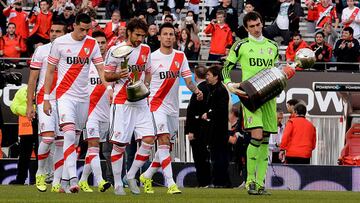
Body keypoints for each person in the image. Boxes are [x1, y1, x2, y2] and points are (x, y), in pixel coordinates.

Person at [43, 13, 107, 193]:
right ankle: (73, 179)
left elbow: (101, 69)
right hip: (64, 96)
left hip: (83, 98)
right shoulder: (60, 43)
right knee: (69, 135)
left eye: (88, 30)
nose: (84, 33)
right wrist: (47, 98)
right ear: (74, 25)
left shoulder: (92, 43)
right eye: (81, 29)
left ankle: (60, 182)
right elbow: (49, 71)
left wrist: (108, 89)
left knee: (73, 141)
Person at [139, 22, 203, 194]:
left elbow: (188, 80)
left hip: (173, 108)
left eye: (171, 34)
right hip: (155, 105)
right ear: (159, 37)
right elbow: (144, 83)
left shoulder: (180, 56)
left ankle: (147, 175)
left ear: (175, 37)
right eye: (165, 34)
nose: (168, 37)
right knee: (164, 141)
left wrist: (197, 90)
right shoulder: (151, 58)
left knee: (167, 147)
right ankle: (170, 183)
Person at [222, 11, 279, 195]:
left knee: (265, 141)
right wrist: (229, 83)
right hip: (250, 97)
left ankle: (261, 183)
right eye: (251, 26)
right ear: (246, 28)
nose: (255, 29)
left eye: (258, 24)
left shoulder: (273, 46)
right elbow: (226, 68)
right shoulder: (241, 46)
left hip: (269, 98)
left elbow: (276, 74)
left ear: (262, 23)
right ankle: (250, 182)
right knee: (256, 135)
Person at [104, 18, 155, 196]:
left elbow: (148, 71)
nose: (140, 39)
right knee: (119, 145)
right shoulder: (115, 50)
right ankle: (118, 184)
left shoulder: (146, 50)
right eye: (137, 35)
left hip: (141, 101)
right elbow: (107, 75)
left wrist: (146, 85)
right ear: (129, 33)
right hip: (121, 102)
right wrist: (118, 74)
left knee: (149, 139)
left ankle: (131, 175)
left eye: (143, 35)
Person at [26, 21, 67, 193]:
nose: (54, 34)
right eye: (52, 31)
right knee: (48, 138)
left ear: (65, 33)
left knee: (61, 142)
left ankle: (56, 180)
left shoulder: (70, 51)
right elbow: (32, 80)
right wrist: (30, 104)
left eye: (58, 31)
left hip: (65, 100)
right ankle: (40, 172)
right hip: (45, 99)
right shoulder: (41, 50)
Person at [78, 31, 112, 193]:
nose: (100, 46)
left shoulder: (111, 66)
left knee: (94, 148)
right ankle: (100, 181)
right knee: (93, 146)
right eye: (97, 43)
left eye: (103, 43)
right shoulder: (85, 65)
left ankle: (83, 180)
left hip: (106, 112)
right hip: (90, 112)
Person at [202, 65, 231, 188]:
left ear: (216, 77)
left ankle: (221, 182)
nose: (206, 77)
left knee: (220, 156)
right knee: (216, 155)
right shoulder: (213, 89)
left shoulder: (220, 90)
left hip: (220, 130)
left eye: (208, 75)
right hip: (215, 129)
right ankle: (218, 181)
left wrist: (208, 113)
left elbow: (221, 110)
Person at [185, 66, 211, 188]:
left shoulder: (199, 89)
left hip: (198, 129)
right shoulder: (208, 87)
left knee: (199, 156)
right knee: (203, 156)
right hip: (205, 128)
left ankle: (203, 182)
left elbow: (192, 111)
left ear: (195, 76)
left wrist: (191, 131)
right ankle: (205, 181)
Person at [11, 85, 38, 185]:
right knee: (24, 156)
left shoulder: (42, 89)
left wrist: (31, 111)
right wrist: (27, 111)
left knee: (41, 154)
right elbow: (13, 106)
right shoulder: (22, 90)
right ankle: (20, 181)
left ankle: (41, 180)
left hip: (39, 124)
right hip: (26, 127)